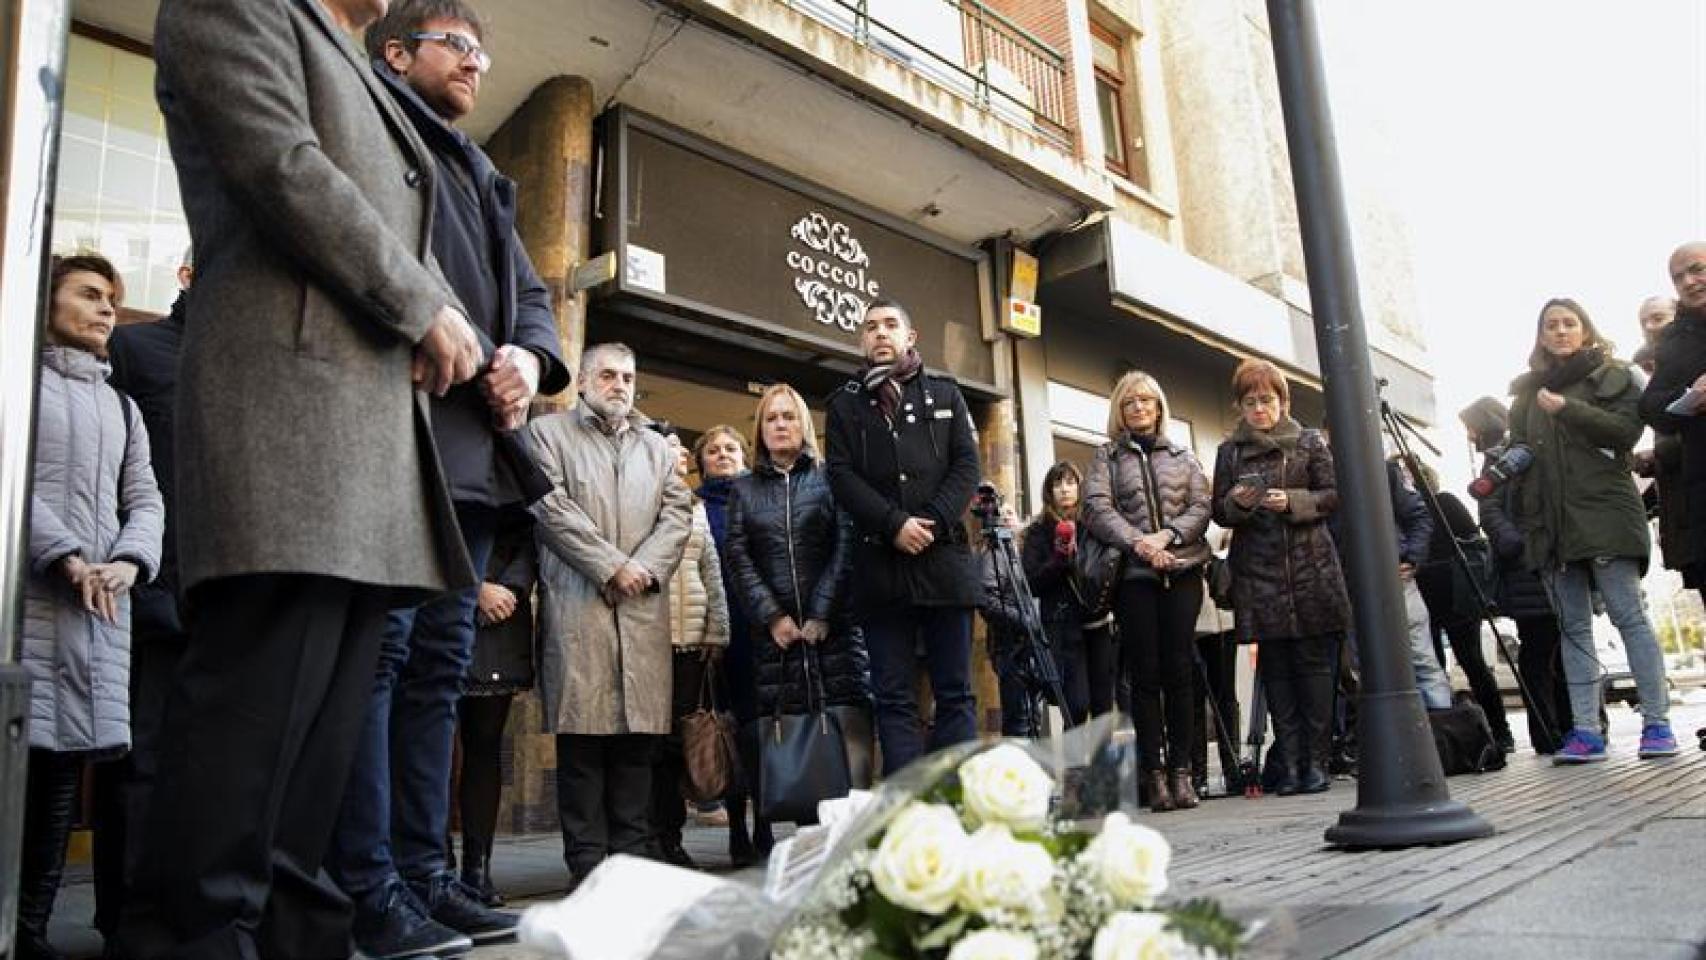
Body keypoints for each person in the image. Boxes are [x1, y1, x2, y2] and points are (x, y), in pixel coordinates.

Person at [124, 0, 486, 954]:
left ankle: (291, 938)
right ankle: (198, 939)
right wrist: (423, 306)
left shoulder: (350, 54)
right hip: (288, 424)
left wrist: (453, 320)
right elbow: (283, 167)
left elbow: (395, 223)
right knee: (250, 724)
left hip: (362, 444)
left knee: (317, 750)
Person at [324, 3, 572, 952]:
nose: (477, 63)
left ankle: (424, 879)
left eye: (484, 51)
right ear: (396, 52)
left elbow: (537, 301)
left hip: (474, 464)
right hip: (393, 433)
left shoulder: (483, 173)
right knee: (380, 666)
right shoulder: (366, 116)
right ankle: (367, 887)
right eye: (457, 46)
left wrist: (527, 360)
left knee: (435, 672)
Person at [20, 254, 164, 960]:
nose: (106, 308)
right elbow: (12, 483)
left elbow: (146, 499)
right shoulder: (19, 384)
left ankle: (32, 930)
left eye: (112, 298)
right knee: (21, 767)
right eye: (88, 294)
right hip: (33, 602)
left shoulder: (122, 406)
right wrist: (66, 555)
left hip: (100, 613)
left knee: (58, 776)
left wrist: (128, 561)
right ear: (46, 303)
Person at [527, 343, 693, 885]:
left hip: (641, 610)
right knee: (582, 749)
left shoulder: (656, 449)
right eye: (608, 374)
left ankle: (630, 867)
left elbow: (677, 515)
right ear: (582, 380)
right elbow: (550, 508)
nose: (619, 384)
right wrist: (610, 567)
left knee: (636, 750)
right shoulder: (547, 435)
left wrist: (641, 570)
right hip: (580, 606)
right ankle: (587, 868)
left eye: (628, 376)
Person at [1511, 298, 1678, 762]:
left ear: (1585, 329)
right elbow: (1521, 452)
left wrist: (1566, 409)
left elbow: (1625, 432)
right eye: (1551, 326)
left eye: (1570, 323)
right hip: (1554, 526)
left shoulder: (1615, 374)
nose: (1561, 331)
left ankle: (1657, 724)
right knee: (1573, 630)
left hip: (1606, 514)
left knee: (1630, 619)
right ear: (1541, 336)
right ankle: (1586, 731)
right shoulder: (1526, 394)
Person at [825, 300, 982, 775]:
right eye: (871, 327)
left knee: (955, 693)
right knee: (894, 698)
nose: (880, 333)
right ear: (861, 340)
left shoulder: (946, 394)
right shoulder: (844, 405)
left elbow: (966, 466)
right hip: (882, 570)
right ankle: (906, 811)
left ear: (910, 337)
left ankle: (959, 801)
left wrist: (929, 522)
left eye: (891, 325)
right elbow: (841, 475)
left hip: (944, 566)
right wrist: (893, 524)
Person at [90, 246, 190, 941]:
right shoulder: (134, 347)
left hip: (232, 603)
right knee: (140, 766)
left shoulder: (252, 364)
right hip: (150, 593)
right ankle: (125, 923)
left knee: (209, 772)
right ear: (184, 275)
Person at [727, 385, 867, 818]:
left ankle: (850, 842)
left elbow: (846, 544)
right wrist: (772, 616)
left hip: (835, 631)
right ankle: (800, 846)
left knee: (848, 742)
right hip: (778, 639)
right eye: (772, 418)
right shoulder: (744, 489)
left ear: (804, 424)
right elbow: (738, 555)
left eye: (789, 416)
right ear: (761, 430)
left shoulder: (830, 480)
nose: (781, 425)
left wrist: (823, 612)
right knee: (792, 741)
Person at [1212, 359, 1349, 796]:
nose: (1259, 409)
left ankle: (1317, 762)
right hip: (1259, 572)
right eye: (1250, 402)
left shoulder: (1308, 441)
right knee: (1277, 672)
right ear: (1239, 406)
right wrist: (1240, 502)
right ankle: (1289, 764)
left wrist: (1289, 500)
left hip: (1310, 570)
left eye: (1267, 400)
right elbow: (1219, 510)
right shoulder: (1229, 452)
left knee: (1314, 669)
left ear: (1283, 400)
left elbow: (1334, 495)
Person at [1082, 371, 1212, 812]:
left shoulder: (1183, 455)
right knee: (1145, 675)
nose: (1138, 407)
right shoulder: (1105, 457)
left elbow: (1202, 506)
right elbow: (1097, 509)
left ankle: (1183, 772)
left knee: (1180, 671)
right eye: (1129, 402)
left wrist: (1168, 537)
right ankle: (1152, 774)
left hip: (1183, 568)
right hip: (1134, 576)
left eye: (1146, 400)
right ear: (1118, 411)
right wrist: (1141, 543)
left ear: (1159, 407)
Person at [1462, 397, 1571, 754]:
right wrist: (1522, 545)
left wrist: (1519, 544)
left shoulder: (1501, 458)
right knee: (1543, 648)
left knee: (1551, 648)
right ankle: (1552, 731)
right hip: (1530, 562)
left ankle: (1566, 728)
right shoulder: (1500, 459)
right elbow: (1492, 510)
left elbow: (1490, 510)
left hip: (1536, 560)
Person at [650, 423, 731, 869]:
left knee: (680, 744)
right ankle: (650, 837)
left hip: (692, 645)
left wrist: (717, 632)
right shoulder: (641, 503)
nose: (679, 454)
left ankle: (671, 839)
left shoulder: (695, 508)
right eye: (670, 448)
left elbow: (711, 572)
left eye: (682, 449)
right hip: (650, 644)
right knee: (651, 747)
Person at [455, 504, 539, 906]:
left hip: (503, 616)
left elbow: (530, 536)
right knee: (428, 749)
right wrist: (474, 587)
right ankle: (431, 866)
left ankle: (477, 868)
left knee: (484, 745)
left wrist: (509, 590)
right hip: (443, 602)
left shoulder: (516, 460)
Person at [691, 425, 765, 864]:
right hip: (715, 637)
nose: (722, 454)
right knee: (726, 733)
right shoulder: (692, 506)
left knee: (758, 735)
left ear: (744, 456)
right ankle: (737, 827)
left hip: (759, 631)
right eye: (714, 450)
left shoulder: (759, 497)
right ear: (701, 462)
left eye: (731, 448)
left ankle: (766, 825)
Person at [1413, 462, 1515, 751]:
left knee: (1471, 661)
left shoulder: (1443, 502)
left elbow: (1472, 541)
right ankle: (1446, 735)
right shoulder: (1402, 511)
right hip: (1426, 595)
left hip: (1455, 594)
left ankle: (1498, 729)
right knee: (1434, 667)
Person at [1020, 461, 1116, 727]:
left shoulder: (1094, 525)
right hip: (1063, 626)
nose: (1064, 489)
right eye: (1058, 483)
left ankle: (1100, 767)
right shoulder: (1039, 531)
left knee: (1103, 705)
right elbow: (1032, 582)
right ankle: (1074, 768)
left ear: (1080, 487)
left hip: (1098, 621)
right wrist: (1059, 560)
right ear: (1049, 490)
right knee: (1076, 704)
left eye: (1070, 482)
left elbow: (1109, 566)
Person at [1384, 457, 1455, 712]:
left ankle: (1443, 730)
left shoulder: (1385, 470)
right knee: (1372, 665)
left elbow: (1419, 516)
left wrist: (1412, 557)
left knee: (1421, 659)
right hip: (1349, 580)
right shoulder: (1321, 469)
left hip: (1396, 575)